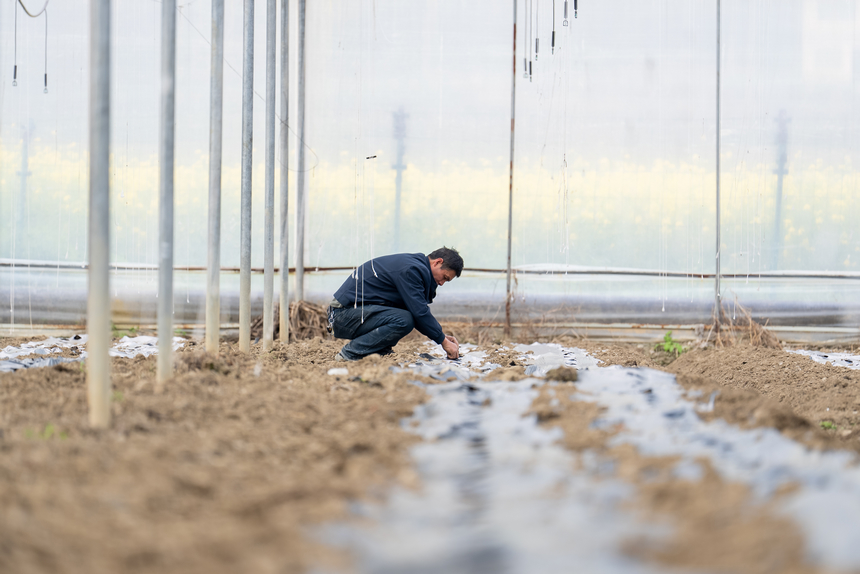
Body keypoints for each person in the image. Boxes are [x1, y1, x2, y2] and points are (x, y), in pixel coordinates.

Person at [328, 247, 463, 361]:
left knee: (405, 315)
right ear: (437, 262)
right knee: (404, 320)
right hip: (341, 315)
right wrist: (443, 341)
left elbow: (416, 311)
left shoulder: (414, 266)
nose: (441, 283)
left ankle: (378, 350)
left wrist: (441, 336)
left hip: (353, 313)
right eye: (444, 277)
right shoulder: (411, 270)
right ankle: (350, 354)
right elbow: (420, 312)